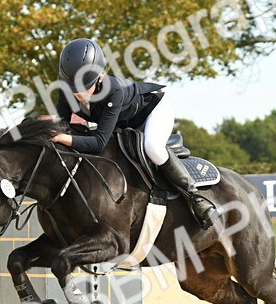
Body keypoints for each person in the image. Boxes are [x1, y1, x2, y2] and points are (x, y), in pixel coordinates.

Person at [49, 38, 216, 228]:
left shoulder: (113, 90)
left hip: (152, 112)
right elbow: (62, 124)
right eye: (73, 89)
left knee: (152, 147)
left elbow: (99, 142)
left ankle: (195, 197)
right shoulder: (67, 89)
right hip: (125, 126)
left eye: (83, 87)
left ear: (99, 77)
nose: (78, 94)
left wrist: (63, 137)